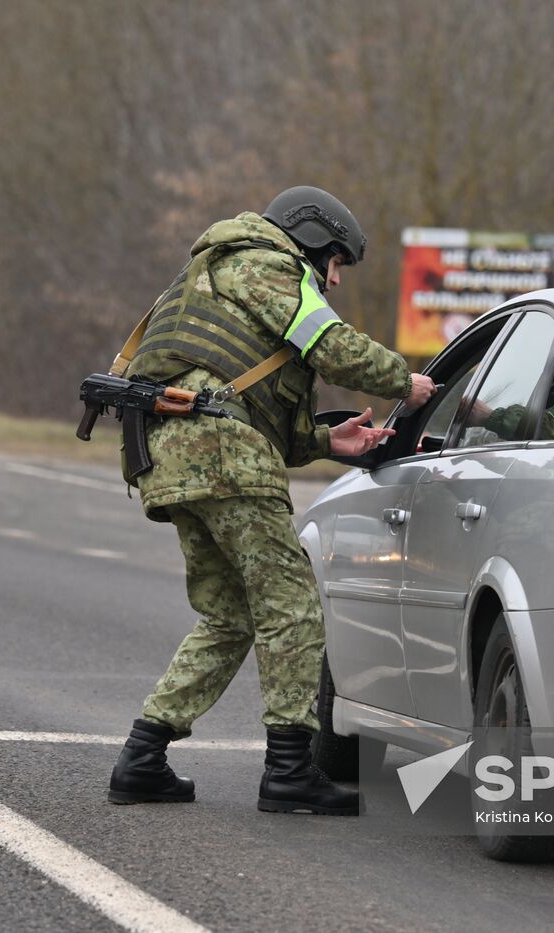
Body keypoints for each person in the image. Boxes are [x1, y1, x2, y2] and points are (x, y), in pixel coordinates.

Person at [107, 186, 436, 815]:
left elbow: (241, 402)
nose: (335, 280)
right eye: (335, 263)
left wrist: (324, 441)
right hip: (224, 456)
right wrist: (406, 382)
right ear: (310, 238)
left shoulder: (211, 274)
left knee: (230, 615)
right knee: (293, 604)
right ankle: (289, 770)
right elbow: (333, 347)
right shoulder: (266, 263)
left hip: (172, 458)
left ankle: (142, 757)